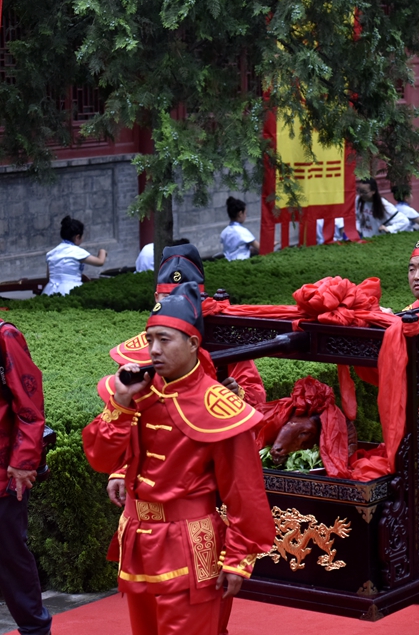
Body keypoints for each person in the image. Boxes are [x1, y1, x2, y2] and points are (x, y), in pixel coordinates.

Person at [83, 282, 275, 635]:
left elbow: (244, 490)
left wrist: (238, 557)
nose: (153, 350)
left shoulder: (218, 406)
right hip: (138, 538)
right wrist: (121, 404)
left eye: (164, 340)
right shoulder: (135, 390)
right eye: (150, 338)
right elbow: (99, 457)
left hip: (191, 544)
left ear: (192, 344)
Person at [106, 243, 267, 496]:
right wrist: (119, 470)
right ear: (156, 299)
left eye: (182, 299)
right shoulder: (138, 353)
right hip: (148, 482)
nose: (173, 306)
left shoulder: (223, 342)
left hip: (205, 474)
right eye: (167, 298)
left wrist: (235, 398)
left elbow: (256, 396)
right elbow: (123, 416)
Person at [0, 319, 52, 635]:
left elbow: (30, 404)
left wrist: (22, 462)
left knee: (9, 554)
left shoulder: (5, 336)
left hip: (5, 470)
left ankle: (35, 629)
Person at [42, 215, 107, 295]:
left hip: (51, 289)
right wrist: (102, 251)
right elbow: (100, 262)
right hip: (71, 288)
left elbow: (49, 276)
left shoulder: (51, 253)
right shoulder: (77, 252)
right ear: (77, 237)